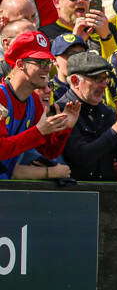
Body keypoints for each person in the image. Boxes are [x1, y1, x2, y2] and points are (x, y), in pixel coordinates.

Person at [0, 31, 78, 180]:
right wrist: (38, 131)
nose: (47, 68)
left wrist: (64, 128)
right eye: (40, 62)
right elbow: (1, 150)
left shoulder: (34, 101)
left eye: (48, 62)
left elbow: (48, 152)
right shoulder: (1, 96)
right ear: (20, 64)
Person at [58, 51, 117, 181]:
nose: (104, 85)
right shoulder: (61, 111)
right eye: (97, 79)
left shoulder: (107, 112)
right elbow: (81, 157)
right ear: (75, 81)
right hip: (74, 194)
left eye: (105, 79)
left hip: (107, 192)